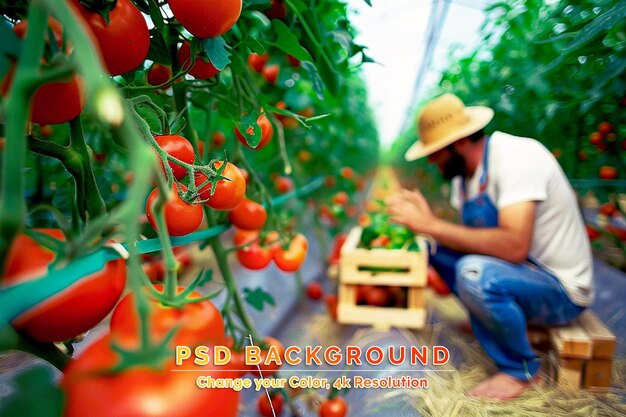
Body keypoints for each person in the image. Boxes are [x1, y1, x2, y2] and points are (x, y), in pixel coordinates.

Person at [386, 93, 594, 400]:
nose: (431, 161)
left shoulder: (515, 157)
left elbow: (513, 247)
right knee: (433, 250)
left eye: (435, 153)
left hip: (559, 288)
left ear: (458, 143)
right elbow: (476, 243)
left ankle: (520, 370)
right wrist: (429, 227)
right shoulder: (463, 181)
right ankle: (492, 321)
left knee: (474, 273)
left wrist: (430, 224)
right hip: (520, 277)